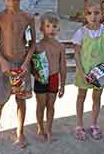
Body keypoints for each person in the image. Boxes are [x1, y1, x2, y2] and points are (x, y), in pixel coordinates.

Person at [0, 0, 36, 152]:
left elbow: (32, 44)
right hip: (4, 66)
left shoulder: (28, 18)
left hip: (22, 65)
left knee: (21, 100)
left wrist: (25, 63)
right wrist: (1, 62)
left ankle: (20, 131)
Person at [72, 0, 104, 141]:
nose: (93, 16)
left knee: (97, 97)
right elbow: (77, 53)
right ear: (85, 16)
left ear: (102, 14)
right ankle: (79, 125)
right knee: (81, 96)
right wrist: (81, 71)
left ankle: (94, 124)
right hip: (84, 72)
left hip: (100, 73)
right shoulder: (81, 32)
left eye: (96, 13)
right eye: (89, 13)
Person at [33, 12, 67, 142]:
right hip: (40, 79)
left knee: (51, 105)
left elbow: (63, 66)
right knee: (40, 105)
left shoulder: (60, 47)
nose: (51, 29)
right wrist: (34, 74)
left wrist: (62, 85)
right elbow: (32, 64)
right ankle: (40, 128)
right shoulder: (37, 46)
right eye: (48, 26)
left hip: (53, 78)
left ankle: (49, 129)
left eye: (54, 26)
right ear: (41, 28)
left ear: (58, 29)